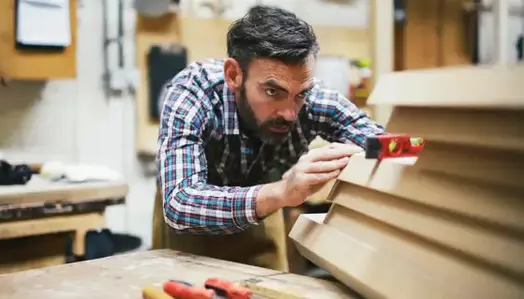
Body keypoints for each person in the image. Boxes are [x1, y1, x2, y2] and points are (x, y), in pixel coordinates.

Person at [152, 5, 385, 271]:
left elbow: (386, 144)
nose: (289, 113)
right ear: (233, 75)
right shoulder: (193, 93)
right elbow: (181, 202)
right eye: (273, 92)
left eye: (300, 94)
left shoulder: (313, 98)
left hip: (262, 209)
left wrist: (360, 154)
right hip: (189, 225)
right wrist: (283, 192)